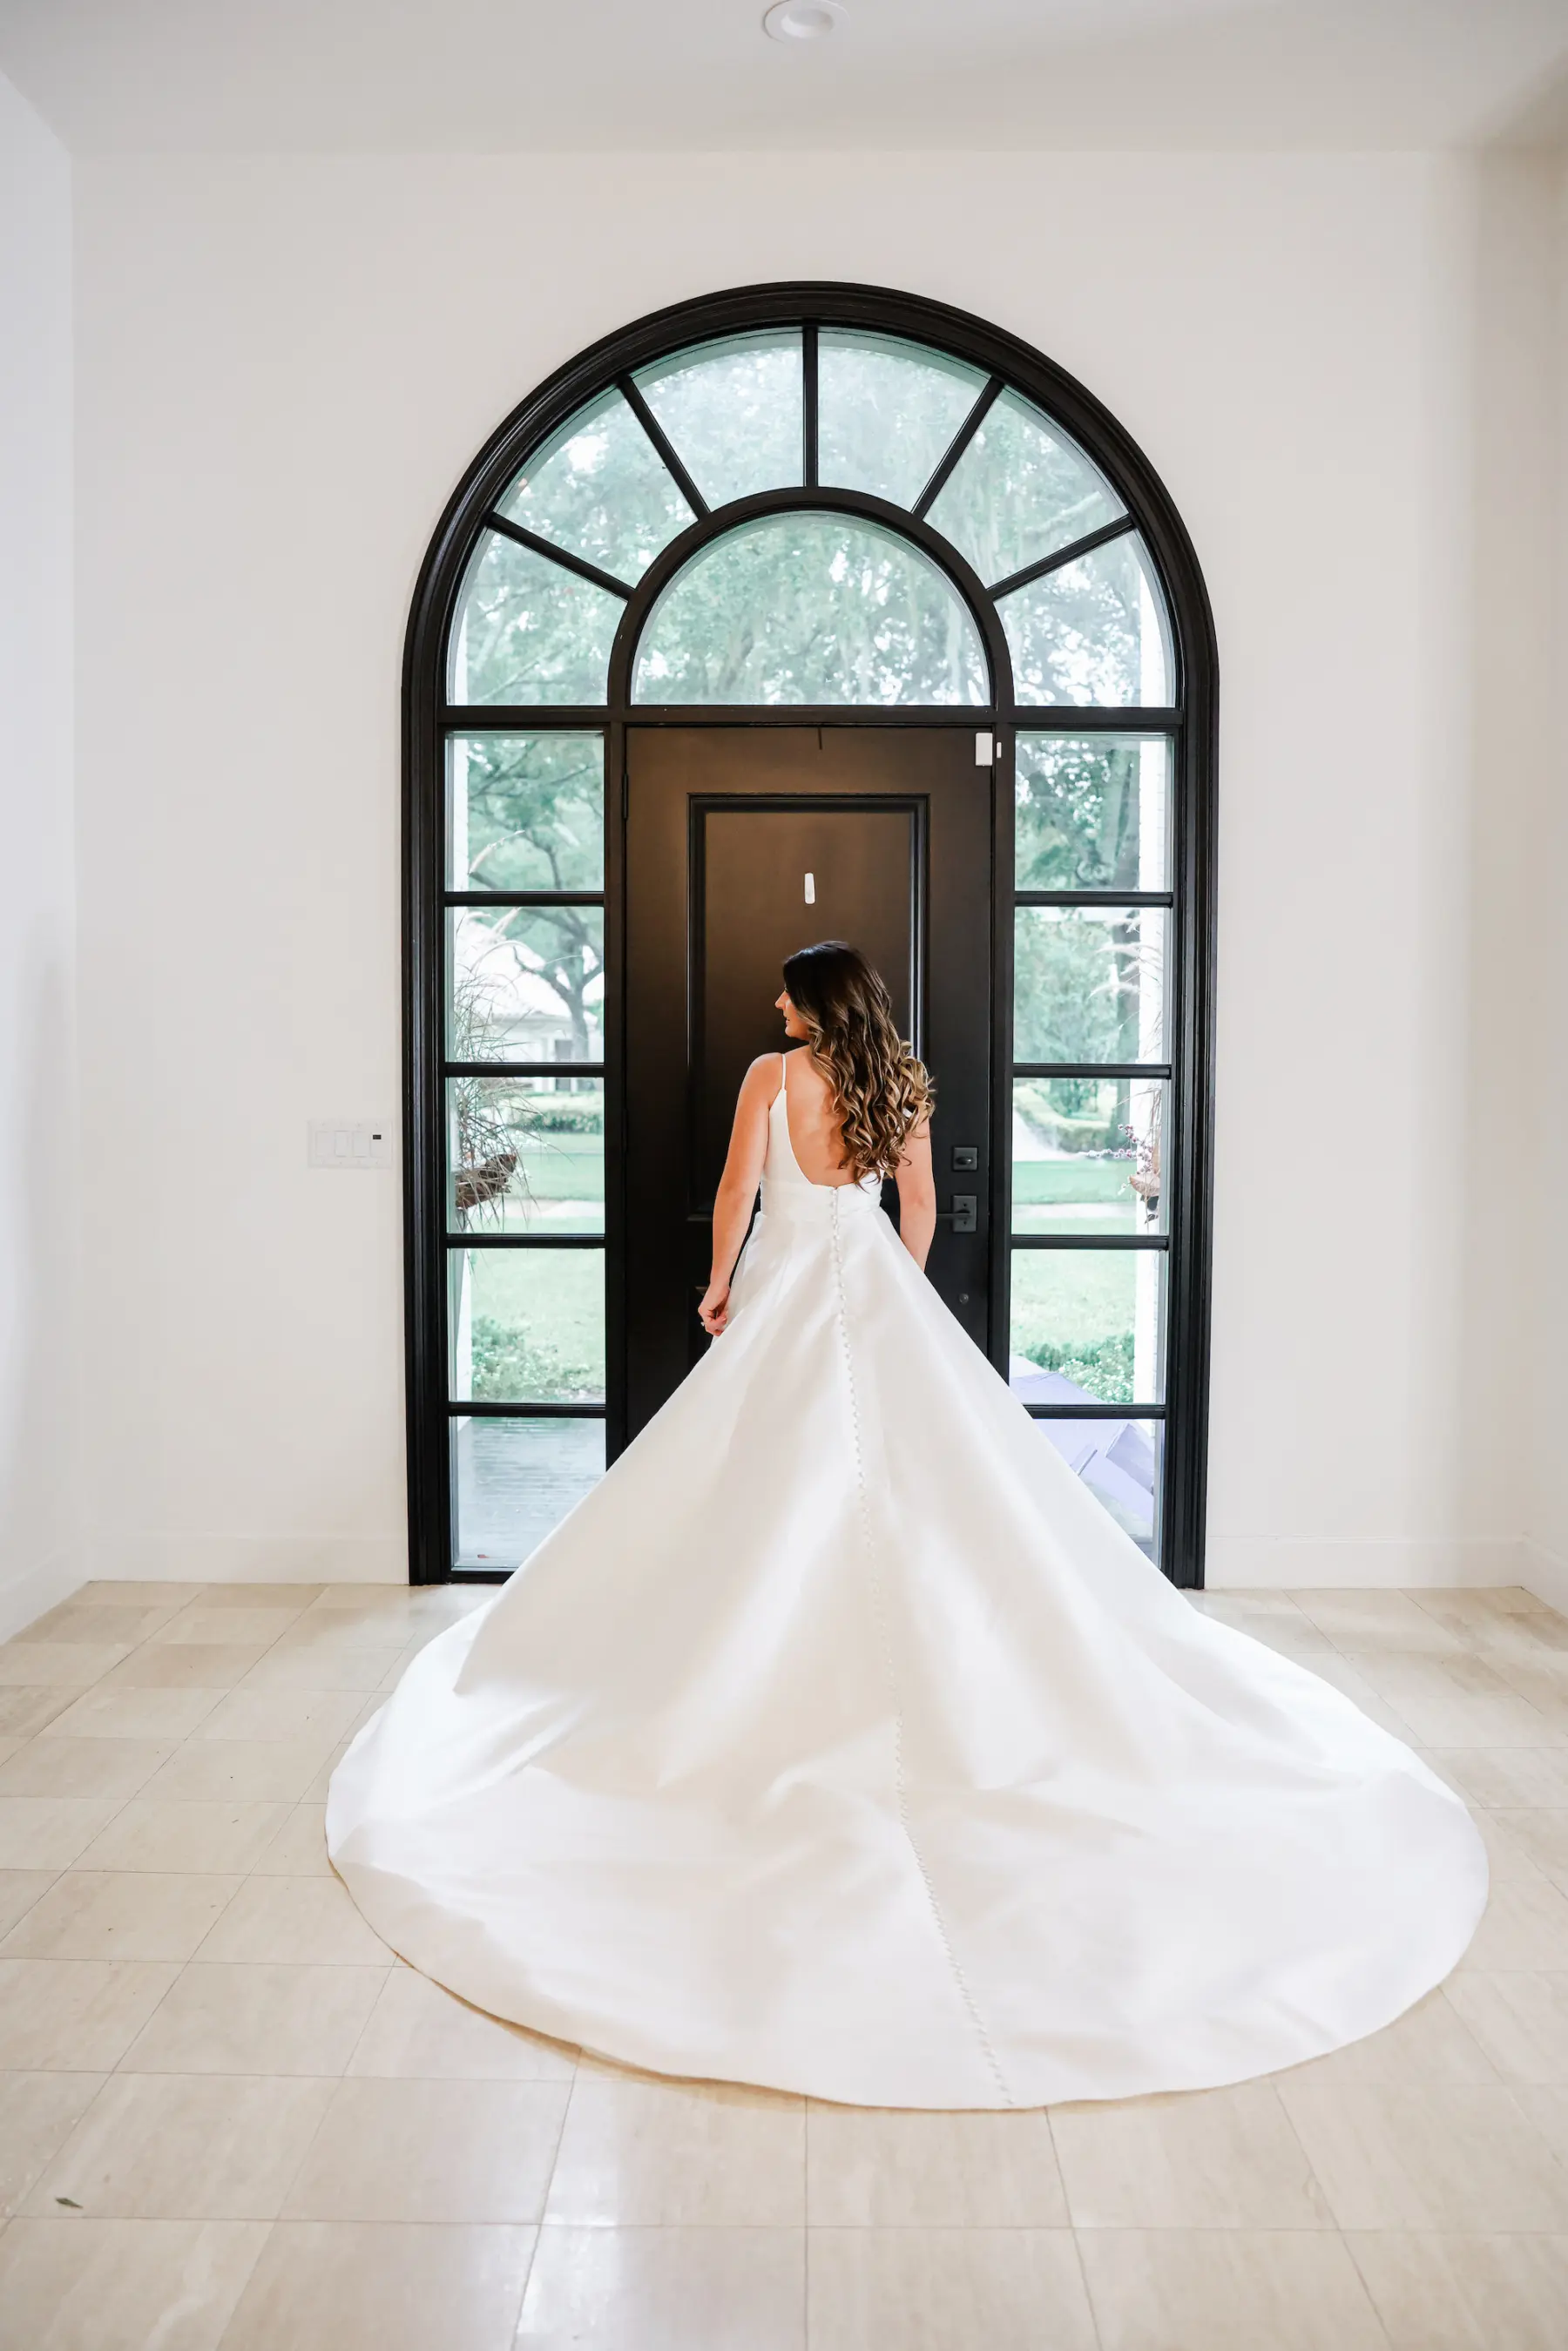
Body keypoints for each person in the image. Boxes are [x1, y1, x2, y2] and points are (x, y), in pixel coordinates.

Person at [328, 940, 1486, 2109]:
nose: (773, 1000)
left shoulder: (772, 1077)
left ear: (811, 1002)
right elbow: (919, 1210)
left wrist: (721, 1281)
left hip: (783, 1297)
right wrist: (890, 1287)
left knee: (749, 1493)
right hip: (876, 1294)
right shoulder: (902, 1079)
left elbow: (737, 1190)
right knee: (932, 1504)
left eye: (786, 987)